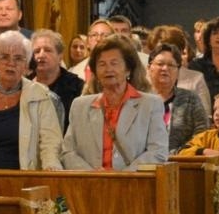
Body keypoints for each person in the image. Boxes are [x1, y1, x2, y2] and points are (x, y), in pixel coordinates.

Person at [60, 35, 167, 170]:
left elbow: (158, 152)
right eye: (102, 64)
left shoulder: (150, 104)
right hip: (89, 185)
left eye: (114, 63)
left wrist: (122, 177)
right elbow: (68, 152)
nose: (108, 69)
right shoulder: (80, 106)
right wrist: (93, 176)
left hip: (133, 185)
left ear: (128, 69)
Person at [0, 31, 62, 170]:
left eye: (18, 58)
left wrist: (51, 167)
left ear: (26, 66)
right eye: (4, 57)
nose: (11, 63)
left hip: (26, 181)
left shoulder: (40, 95)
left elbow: (50, 143)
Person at [149, 42, 211, 154]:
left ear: (178, 71)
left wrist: (181, 153)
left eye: (171, 65)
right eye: (160, 64)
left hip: (181, 162)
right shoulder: (139, 99)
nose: (165, 68)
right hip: (143, 164)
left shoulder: (190, 99)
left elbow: (202, 132)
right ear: (149, 67)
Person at [147, 26, 211, 112]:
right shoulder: (143, 78)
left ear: (180, 51)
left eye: (170, 50)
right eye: (160, 50)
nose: (166, 54)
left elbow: (204, 115)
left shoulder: (196, 79)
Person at [29, 29, 83, 130]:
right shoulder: (24, 85)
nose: (41, 55)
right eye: (36, 51)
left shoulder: (77, 87)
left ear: (60, 56)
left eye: (48, 50)